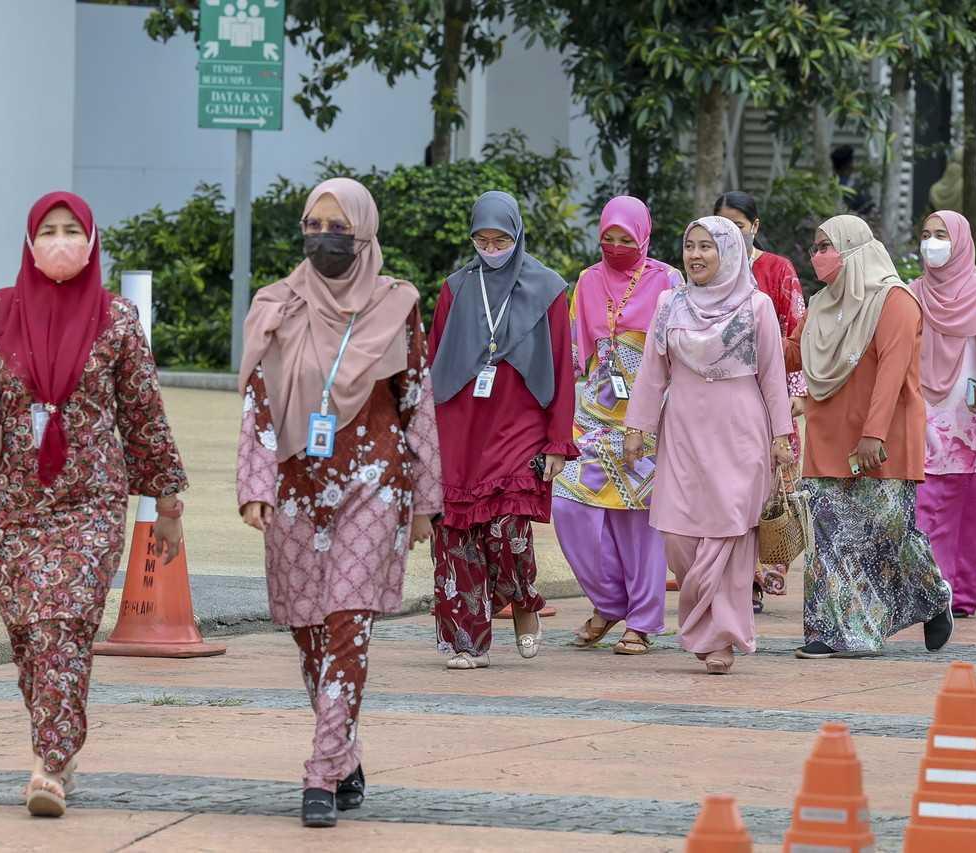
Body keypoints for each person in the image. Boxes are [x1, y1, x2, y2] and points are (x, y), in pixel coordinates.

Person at [0, 192, 188, 817]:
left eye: (71, 230)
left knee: (63, 625)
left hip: (89, 502)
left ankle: (47, 763)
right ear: (29, 242)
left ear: (93, 239)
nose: (59, 241)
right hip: (11, 507)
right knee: (30, 637)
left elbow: (143, 414)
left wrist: (166, 501)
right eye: (47, 230)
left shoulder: (118, 321)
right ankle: (59, 742)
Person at [236, 178, 440, 827]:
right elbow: (258, 402)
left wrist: (426, 499)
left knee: (349, 618)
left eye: (338, 226)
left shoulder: (396, 304)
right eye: (313, 224)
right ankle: (346, 753)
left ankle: (321, 771)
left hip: (374, 481)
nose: (325, 236)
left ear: (364, 230)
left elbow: (418, 402)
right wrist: (254, 484)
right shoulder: (276, 304)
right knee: (310, 629)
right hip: (296, 487)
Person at [623, 215, 794, 675]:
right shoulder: (669, 303)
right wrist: (636, 427)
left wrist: (782, 437)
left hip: (740, 429)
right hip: (681, 428)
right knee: (678, 533)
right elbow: (652, 371)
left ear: (730, 253)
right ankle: (704, 623)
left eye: (706, 247)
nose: (695, 255)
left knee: (731, 533)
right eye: (689, 246)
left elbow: (773, 377)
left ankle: (722, 635)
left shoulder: (756, 306)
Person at [786, 214, 953, 658]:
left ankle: (934, 596)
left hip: (884, 435)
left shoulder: (894, 301)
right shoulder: (821, 304)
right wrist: (748, 331)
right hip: (827, 432)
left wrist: (873, 434)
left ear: (854, 249)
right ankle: (828, 632)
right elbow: (793, 353)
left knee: (888, 532)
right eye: (816, 247)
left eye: (826, 246)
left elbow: (893, 374)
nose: (817, 255)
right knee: (829, 538)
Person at [428, 191, 578, 669]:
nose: (491, 247)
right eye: (482, 239)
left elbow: (561, 367)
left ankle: (523, 606)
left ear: (517, 235)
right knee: (457, 533)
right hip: (460, 426)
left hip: (521, 425)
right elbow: (433, 361)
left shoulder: (549, 288)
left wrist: (558, 441)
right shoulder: (455, 288)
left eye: (501, 239)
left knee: (507, 529)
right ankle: (466, 640)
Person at [553, 196, 680, 655]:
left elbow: (676, 352)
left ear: (644, 236)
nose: (616, 246)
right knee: (568, 506)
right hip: (592, 413)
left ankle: (641, 623)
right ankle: (609, 603)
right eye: (608, 238)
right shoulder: (586, 281)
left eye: (626, 239)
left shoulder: (667, 281)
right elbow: (572, 354)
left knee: (639, 521)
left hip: (647, 414)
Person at [713, 190, 807, 611]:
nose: (732, 232)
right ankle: (731, 577)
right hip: (720, 396)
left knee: (768, 487)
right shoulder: (707, 268)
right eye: (723, 224)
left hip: (771, 394)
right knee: (725, 486)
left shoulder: (776, 268)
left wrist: (798, 391)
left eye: (739, 224)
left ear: (755, 226)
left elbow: (799, 328)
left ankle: (760, 576)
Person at [911, 210, 976, 619]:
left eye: (941, 235)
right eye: (926, 234)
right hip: (925, 410)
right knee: (928, 504)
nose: (931, 243)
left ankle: (964, 593)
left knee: (968, 511)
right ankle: (936, 591)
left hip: (969, 413)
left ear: (961, 242)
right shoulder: (912, 291)